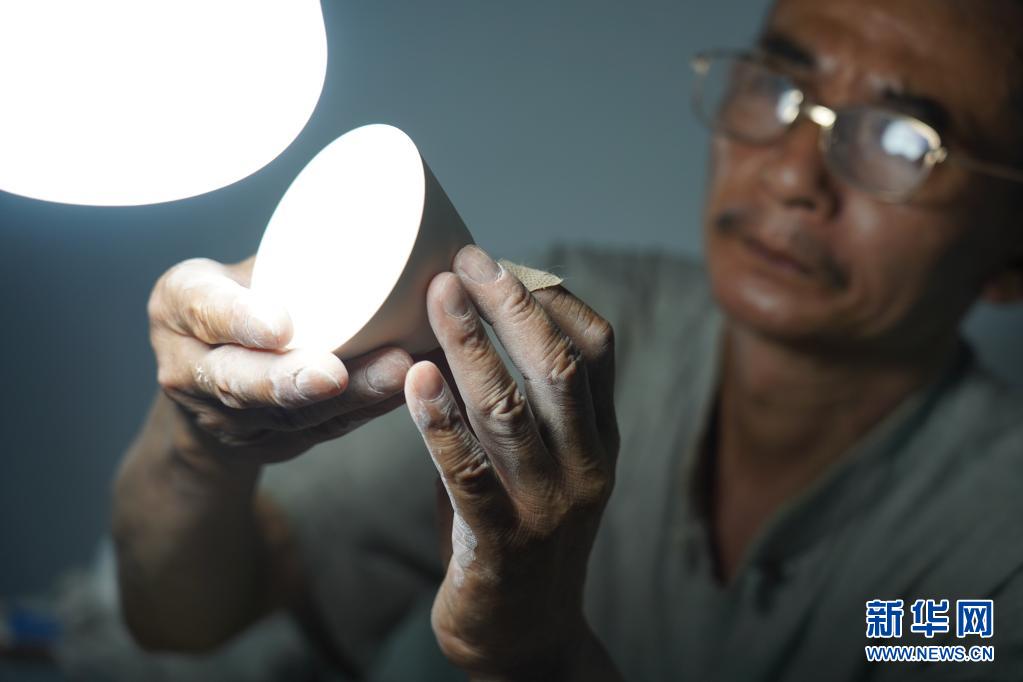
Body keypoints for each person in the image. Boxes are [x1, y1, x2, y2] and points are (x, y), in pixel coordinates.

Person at [111, 0, 1023, 679]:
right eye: (777, 91)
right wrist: (198, 443)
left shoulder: (984, 573)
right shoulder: (562, 333)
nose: (792, 175)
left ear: (1009, 258)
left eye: (902, 143)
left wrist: (535, 653)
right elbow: (190, 614)